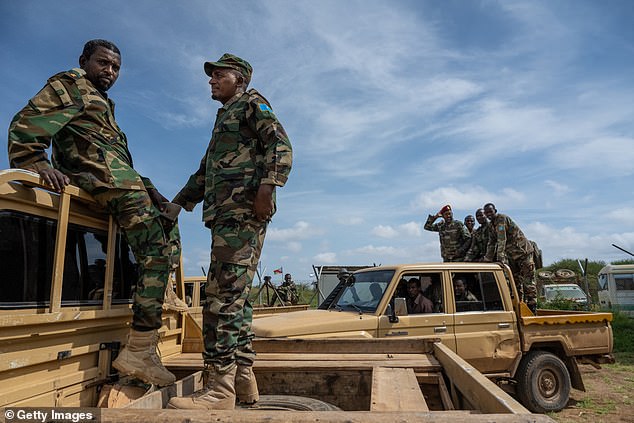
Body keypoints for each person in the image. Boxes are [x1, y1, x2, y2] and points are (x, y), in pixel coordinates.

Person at [7, 39, 180, 386]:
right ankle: (140, 349)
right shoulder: (71, 84)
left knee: (167, 219)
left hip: (115, 178)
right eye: (103, 63)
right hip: (95, 178)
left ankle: (164, 294)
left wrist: (150, 188)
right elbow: (25, 124)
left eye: (116, 68)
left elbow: (113, 156)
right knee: (156, 252)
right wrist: (34, 162)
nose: (110, 72)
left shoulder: (102, 101)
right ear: (84, 61)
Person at [168, 53, 292, 410]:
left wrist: (267, 188)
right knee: (234, 299)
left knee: (219, 299)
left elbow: (280, 146)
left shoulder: (252, 104)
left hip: (242, 214)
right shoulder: (225, 117)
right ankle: (241, 380)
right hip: (227, 217)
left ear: (239, 79)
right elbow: (206, 171)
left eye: (218, 74)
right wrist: (177, 203)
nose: (211, 80)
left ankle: (218, 389)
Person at [482, 203, 537, 313]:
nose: (489, 214)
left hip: (523, 253)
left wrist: (499, 258)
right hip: (512, 256)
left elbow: (502, 239)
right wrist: (487, 260)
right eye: (486, 213)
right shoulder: (490, 225)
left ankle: (532, 308)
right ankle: (519, 307)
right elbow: (491, 243)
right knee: (515, 283)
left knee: (528, 282)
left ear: (495, 211)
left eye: (490, 212)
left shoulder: (501, 219)